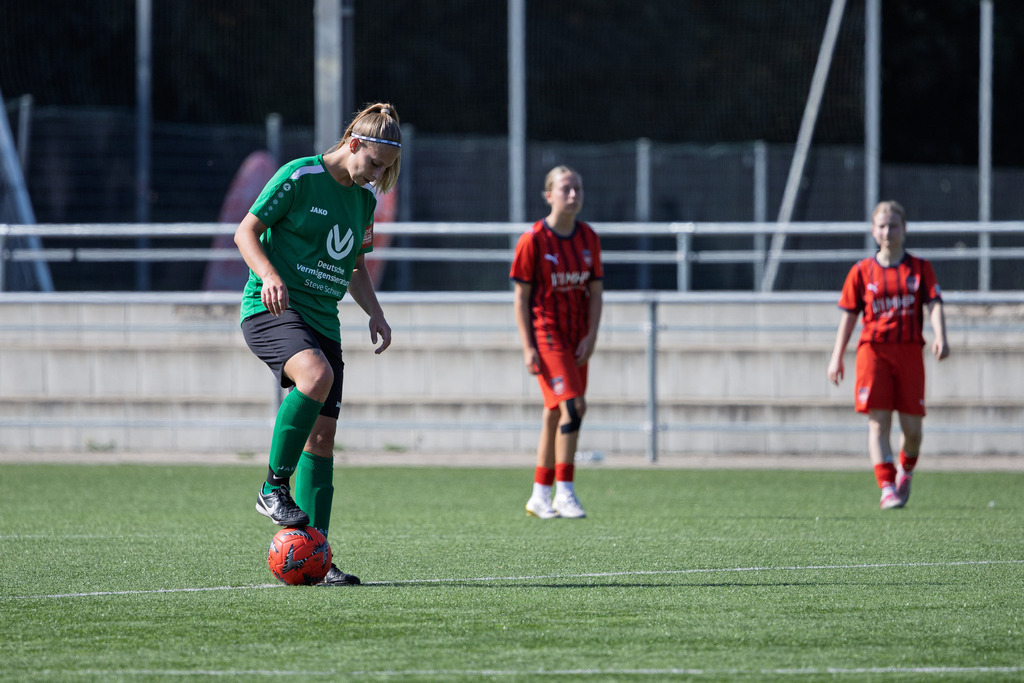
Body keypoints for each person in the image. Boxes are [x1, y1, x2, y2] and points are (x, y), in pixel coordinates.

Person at [234, 102, 401, 584]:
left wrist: (376, 312)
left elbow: (353, 266)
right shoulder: (299, 176)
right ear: (353, 144)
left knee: (323, 442)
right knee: (315, 375)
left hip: (324, 322)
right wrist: (268, 274)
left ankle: (317, 557)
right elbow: (246, 230)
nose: (375, 176)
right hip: (273, 310)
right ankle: (272, 486)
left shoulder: (363, 201)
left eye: (385, 170)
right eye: (372, 163)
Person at [827, 200, 950, 510]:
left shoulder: (920, 268)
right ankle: (886, 485)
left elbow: (934, 303)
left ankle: (904, 471)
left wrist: (940, 336)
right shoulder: (861, 271)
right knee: (878, 422)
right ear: (873, 230)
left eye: (893, 225)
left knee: (913, 430)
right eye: (881, 226)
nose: (887, 231)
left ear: (904, 229)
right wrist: (836, 356)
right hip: (874, 352)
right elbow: (849, 316)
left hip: (909, 352)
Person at [511, 166, 604, 519]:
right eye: (565, 188)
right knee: (575, 407)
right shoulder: (533, 240)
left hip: (577, 338)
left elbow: (595, 292)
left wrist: (591, 335)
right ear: (548, 195)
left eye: (578, 188)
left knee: (555, 413)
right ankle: (565, 490)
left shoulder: (589, 238)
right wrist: (528, 346)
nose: (573, 195)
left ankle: (539, 494)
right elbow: (521, 298)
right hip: (547, 336)